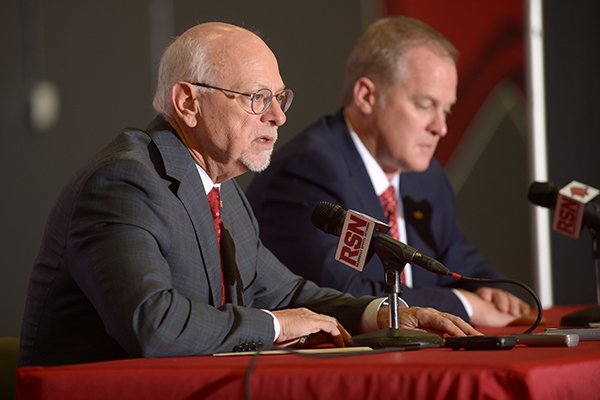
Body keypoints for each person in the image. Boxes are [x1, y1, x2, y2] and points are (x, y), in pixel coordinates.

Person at [19, 22, 480, 367]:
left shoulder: (223, 190)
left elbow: (286, 291)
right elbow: (152, 324)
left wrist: (386, 314)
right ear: (187, 102)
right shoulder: (126, 182)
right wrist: (278, 326)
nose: (278, 116)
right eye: (259, 98)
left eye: (281, 98)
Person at [246, 16, 531, 327]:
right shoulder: (308, 172)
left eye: (446, 110)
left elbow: (457, 257)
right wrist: (466, 305)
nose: (441, 127)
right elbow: (344, 294)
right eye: (425, 105)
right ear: (367, 97)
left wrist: (494, 289)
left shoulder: (426, 177)